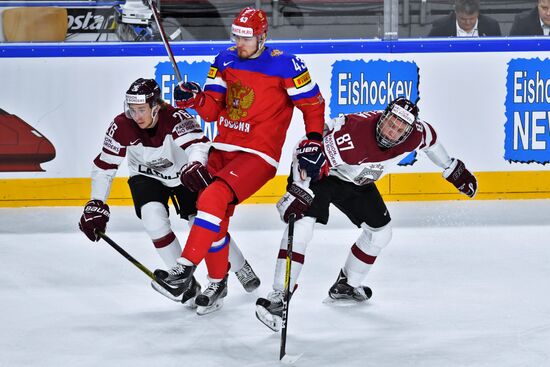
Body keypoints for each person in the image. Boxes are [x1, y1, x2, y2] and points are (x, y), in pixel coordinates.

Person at [150, 7, 326, 314]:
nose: (240, 43)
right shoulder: (224, 59)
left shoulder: (286, 64)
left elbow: (313, 103)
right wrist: (194, 99)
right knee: (212, 211)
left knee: (214, 195)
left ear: (262, 36)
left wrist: (313, 139)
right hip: (223, 147)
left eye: (247, 38)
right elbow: (211, 110)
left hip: (258, 155)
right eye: (237, 36)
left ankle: (183, 268)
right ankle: (217, 282)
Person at [255, 97, 478, 331]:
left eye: (400, 129)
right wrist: (299, 188)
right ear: (383, 117)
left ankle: (346, 285)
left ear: (408, 132)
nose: (392, 131)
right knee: (302, 226)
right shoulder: (352, 136)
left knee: (381, 234)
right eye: (390, 122)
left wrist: (451, 168)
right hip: (323, 173)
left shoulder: (418, 134)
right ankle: (278, 297)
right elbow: (308, 151)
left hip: (355, 180)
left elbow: (432, 143)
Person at [78, 78, 261, 314]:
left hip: (184, 175)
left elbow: (198, 145)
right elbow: (105, 166)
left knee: (204, 224)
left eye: (142, 109)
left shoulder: (176, 118)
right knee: (151, 218)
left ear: (156, 106)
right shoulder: (121, 126)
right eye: (132, 110)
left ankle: (239, 265)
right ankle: (183, 281)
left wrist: (195, 165)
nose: (137, 116)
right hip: (147, 176)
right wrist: (96, 202)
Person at [427, 0, 501, 37]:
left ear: (478, 13)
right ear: (455, 12)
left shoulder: (492, 26)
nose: (468, 22)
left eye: (472, 19)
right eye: (463, 19)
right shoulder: (440, 27)